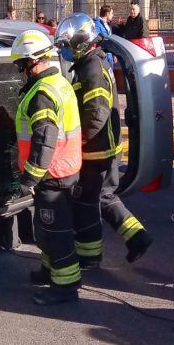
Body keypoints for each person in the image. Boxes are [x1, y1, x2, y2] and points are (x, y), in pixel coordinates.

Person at [55, 14, 152, 267]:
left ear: (80, 41)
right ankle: (137, 237)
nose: (64, 51)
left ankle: (89, 256)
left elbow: (97, 112)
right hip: (105, 148)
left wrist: (78, 142)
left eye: (66, 45)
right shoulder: (94, 62)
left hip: (96, 150)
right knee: (105, 197)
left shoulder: (92, 68)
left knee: (87, 203)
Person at [11, 30, 83, 305]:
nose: (20, 72)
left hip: (52, 174)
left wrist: (31, 176)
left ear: (34, 62)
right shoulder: (57, 81)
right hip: (63, 169)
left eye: (21, 66)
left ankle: (65, 288)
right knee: (47, 228)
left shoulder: (41, 93)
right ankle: (48, 270)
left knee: (55, 233)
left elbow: (44, 138)